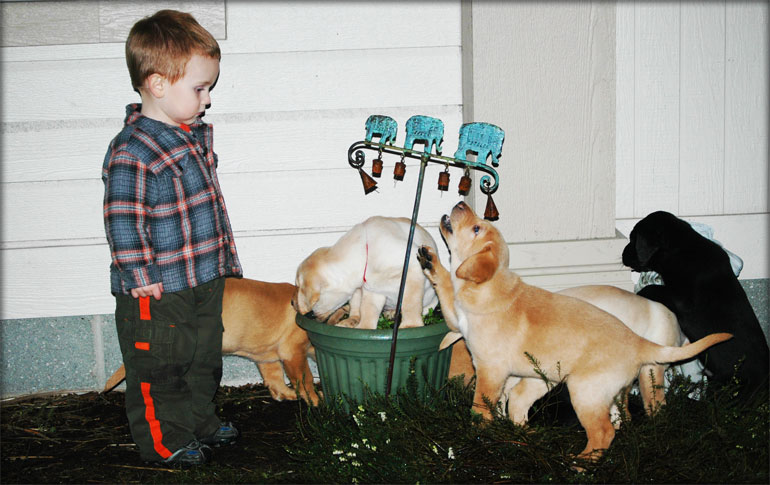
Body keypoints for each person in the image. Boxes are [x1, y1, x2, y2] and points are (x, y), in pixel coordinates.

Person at [102, 9, 242, 466]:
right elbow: (123, 217)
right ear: (158, 84)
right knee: (161, 365)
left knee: (203, 357)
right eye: (200, 89)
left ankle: (199, 420)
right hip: (157, 288)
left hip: (201, 275)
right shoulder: (134, 150)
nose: (206, 100)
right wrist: (138, 273)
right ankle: (165, 441)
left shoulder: (188, 137)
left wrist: (222, 263)